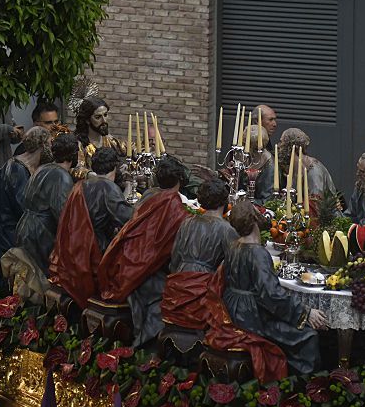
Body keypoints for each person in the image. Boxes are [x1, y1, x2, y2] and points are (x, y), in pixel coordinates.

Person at [222, 201, 326, 375]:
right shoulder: (258, 253)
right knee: (308, 337)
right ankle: (299, 387)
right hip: (253, 318)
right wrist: (305, 313)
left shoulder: (233, 246)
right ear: (254, 220)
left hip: (234, 310)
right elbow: (272, 295)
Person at [98, 157, 191, 347]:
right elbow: (169, 249)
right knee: (169, 296)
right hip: (142, 270)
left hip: (126, 262)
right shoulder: (175, 207)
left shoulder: (149, 195)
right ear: (179, 180)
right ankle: (144, 346)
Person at [49, 147, 134, 309]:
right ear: (114, 168)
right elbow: (127, 218)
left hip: (71, 247)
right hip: (94, 250)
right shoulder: (108, 188)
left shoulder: (80, 185)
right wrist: (129, 188)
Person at [160, 179, 237, 331]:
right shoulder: (226, 229)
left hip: (176, 288)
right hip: (202, 292)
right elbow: (233, 268)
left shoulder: (187, 223)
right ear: (224, 203)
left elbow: (174, 259)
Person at [0, 126, 52, 267]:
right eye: (50, 143)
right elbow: (24, 207)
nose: (52, 148)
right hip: (3, 229)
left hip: (13, 223)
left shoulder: (30, 166)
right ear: (42, 145)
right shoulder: (18, 169)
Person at [10, 133, 78, 292]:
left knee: (27, 278)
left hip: (25, 226)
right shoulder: (62, 176)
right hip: (40, 234)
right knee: (39, 282)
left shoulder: (42, 169)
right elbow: (63, 214)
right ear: (73, 154)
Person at [72, 96, 127, 177]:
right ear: (87, 120)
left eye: (105, 115)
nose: (104, 121)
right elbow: (75, 169)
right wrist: (90, 174)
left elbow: (129, 148)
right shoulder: (79, 144)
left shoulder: (109, 140)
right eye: (98, 117)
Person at [278, 128, 335, 201]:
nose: (279, 146)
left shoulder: (314, 171)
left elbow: (316, 202)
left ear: (291, 147)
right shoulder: (294, 168)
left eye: (281, 142)